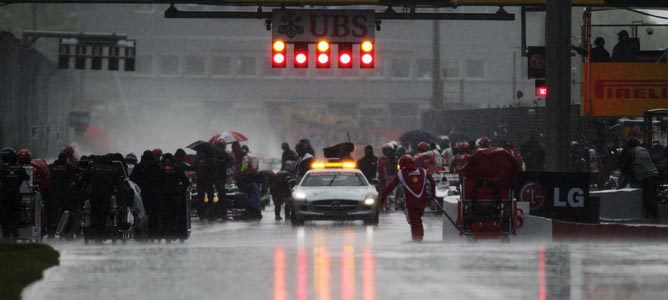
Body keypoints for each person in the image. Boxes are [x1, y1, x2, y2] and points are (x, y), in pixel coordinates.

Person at [379, 155, 435, 242]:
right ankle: (418, 239)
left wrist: (383, 195)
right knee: (417, 221)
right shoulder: (423, 171)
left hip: (411, 203)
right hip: (422, 202)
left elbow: (391, 186)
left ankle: (417, 241)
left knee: (414, 222)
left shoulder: (401, 173)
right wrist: (433, 195)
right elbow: (432, 181)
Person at [621, 138, 659, 221]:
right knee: (653, 195)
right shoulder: (644, 150)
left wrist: (621, 185)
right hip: (654, 174)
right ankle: (653, 215)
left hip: (645, 176)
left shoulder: (630, 152)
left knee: (647, 196)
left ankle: (652, 216)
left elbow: (625, 169)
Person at [130, 150, 164, 236]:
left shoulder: (138, 167)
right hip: (154, 195)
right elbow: (162, 180)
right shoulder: (156, 166)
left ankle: (140, 231)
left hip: (141, 195)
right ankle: (153, 233)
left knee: (140, 214)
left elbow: (132, 181)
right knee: (153, 214)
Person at [0, 148, 30, 241]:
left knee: (4, 219)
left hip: (4, 198)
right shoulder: (20, 169)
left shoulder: (2, 169)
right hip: (15, 198)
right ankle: (14, 235)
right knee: (15, 218)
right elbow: (27, 177)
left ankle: (6, 236)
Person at [160, 153, 190, 239]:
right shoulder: (177, 168)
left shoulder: (160, 168)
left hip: (163, 196)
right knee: (176, 214)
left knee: (165, 215)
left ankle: (166, 231)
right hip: (176, 196)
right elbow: (186, 182)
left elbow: (155, 181)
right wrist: (182, 188)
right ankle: (174, 231)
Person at [46, 153, 76, 237]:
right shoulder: (69, 168)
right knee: (66, 211)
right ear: (66, 159)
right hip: (65, 193)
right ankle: (64, 230)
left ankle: (52, 229)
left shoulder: (51, 167)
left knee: (53, 212)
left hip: (53, 193)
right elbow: (75, 178)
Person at [377, 144, 398, 210]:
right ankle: (383, 205)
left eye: (389, 150)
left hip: (391, 177)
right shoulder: (382, 159)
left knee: (390, 191)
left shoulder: (394, 158)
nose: (388, 152)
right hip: (383, 179)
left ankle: (387, 204)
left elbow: (395, 168)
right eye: (386, 150)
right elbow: (380, 169)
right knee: (383, 192)